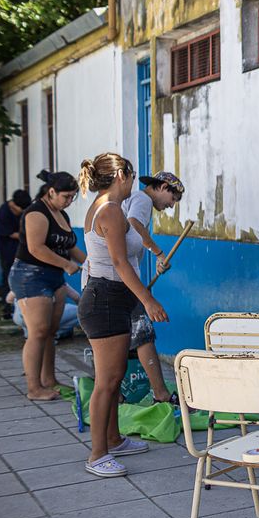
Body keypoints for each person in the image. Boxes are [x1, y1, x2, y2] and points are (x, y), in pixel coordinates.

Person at [77, 153, 168, 478]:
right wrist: (148, 300)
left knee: (114, 378)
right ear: (122, 177)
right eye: (131, 177)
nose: (132, 183)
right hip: (105, 299)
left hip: (110, 297)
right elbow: (119, 262)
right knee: (107, 381)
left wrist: (155, 252)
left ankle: (113, 439)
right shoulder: (111, 210)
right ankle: (97, 454)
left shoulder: (105, 207)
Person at [10, 170, 86, 400]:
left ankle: (49, 379)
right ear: (51, 191)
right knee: (38, 331)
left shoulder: (60, 213)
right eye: (66, 196)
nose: (69, 201)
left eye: (73, 196)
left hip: (53, 278)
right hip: (30, 276)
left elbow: (69, 246)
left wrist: (91, 264)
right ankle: (34, 388)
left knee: (51, 331)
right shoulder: (35, 213)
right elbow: (36, 248)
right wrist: (66, 265)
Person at [122, 171, 185, 404]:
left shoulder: (136, 200)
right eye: (173, 199)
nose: (172, 206)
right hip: (120, 278)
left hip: (116, 275)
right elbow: (134, 223)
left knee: (122, 336)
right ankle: (161, 394)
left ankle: (118, 394)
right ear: (162, 187)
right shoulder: (143, 200)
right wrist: (158, 253)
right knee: (143, 333)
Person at [0, 189, 32, 319]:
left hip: (21, 250)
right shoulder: (4, 211)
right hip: (7, 251)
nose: (21, 213)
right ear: (13, 204)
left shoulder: (25, 209)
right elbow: (10, 233)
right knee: (8, 279)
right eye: (20, 210)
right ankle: (7, 309)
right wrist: (31, 237)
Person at [9, 285, 79, 341]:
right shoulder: (54, 278)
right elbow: (76, 297)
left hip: (20, 317)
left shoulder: (22, 279)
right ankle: (52, 334)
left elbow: (9, 299)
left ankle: (29, 334)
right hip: (42, 317)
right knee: (78, 311)